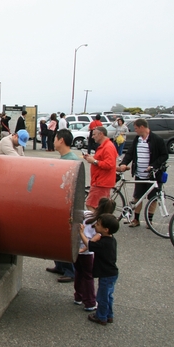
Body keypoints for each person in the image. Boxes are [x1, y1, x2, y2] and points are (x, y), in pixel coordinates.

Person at [117, 118, 168, 227]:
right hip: (139, 174)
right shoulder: (137, 139)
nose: (135, 131)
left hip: (153, 175)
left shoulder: (157, 139)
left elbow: (164, 155)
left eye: (136, 128)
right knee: (137, 197)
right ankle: (136, 219)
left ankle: (149, 221)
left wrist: (153, 165)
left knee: (153, 198)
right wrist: (124, 163)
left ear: (142, 127)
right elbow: (130, 153)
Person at [45, 129, 77, 283]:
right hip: (59, 206)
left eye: (55, 139)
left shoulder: (70, 161)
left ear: (61, 140)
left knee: (64, 238)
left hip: (65, 207)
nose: (53, 141)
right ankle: (60, 265)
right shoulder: (66, 158)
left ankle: (70, 270)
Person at [75, 197, 116, 312]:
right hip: (87, 252)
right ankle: (90, 302)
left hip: (76, 249)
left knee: (79, 272)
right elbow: (94, 239)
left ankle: (78, 296)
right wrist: (85, 247)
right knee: (88, 276)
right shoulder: (102, 224)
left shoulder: (87, 214)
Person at [79, 213, 119, 325]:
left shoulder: (103, 244)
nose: (95, 226)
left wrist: (81, 233)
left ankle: (101, 317)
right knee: (108, 296)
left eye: (98, 224)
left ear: (106, 229)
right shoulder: (111, 240)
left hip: (106, 275)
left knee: (102, 297)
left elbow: (89, 244)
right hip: (112, 273)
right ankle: (109, 315)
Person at [83, 126, 118, 211]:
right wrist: (91, 158)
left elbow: (109, 165)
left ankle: (97, 222)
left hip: (101, 182)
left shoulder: (107, 147)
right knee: (101, 207)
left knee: (91, 204)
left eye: (94, 134)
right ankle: (101, 222)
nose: (92, 136)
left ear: (101, 134)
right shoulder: (105, 146)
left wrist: (94, 161)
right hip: (101, 181)